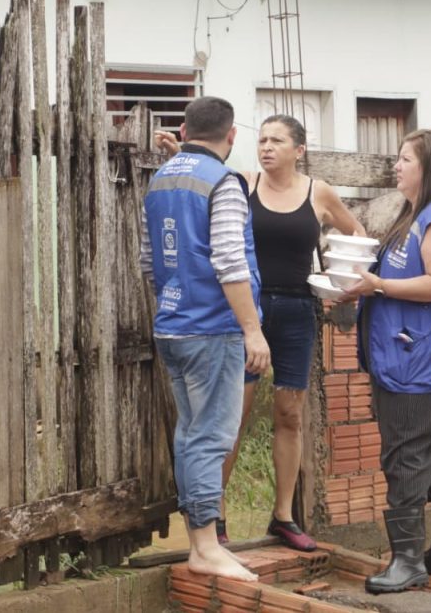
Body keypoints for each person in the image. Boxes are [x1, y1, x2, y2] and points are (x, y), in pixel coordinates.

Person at [221, 115, 365, 551]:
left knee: (289, 413)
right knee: (234, 415)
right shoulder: (244, 183)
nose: (266, 147)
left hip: (299, 310)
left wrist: (344, 279)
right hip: (251, 312)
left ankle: (283, 516)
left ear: (299, 150)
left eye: (277, 141)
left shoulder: (318, 192)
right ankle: (216, 516)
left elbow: (356, 232)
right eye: (262, 140)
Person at [141, 96, 270, 582]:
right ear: (231, 135)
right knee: (211, 437)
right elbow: (230, 260)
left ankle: (203, 543)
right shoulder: (224, 182)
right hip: (214, 328)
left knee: (191, 433)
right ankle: (205, 546)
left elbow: (149, 260)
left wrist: (176, 302)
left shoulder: (161, 179)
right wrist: (253, 330)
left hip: (172, 325)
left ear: (183, 129)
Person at [343, 129, 431, 594]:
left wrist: (378, 286)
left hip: (420, 360)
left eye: (405, 160)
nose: (396, 166)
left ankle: (407, 561)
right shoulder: (415, 214)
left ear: (429, 167)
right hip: (407, 355)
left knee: (405, 456)